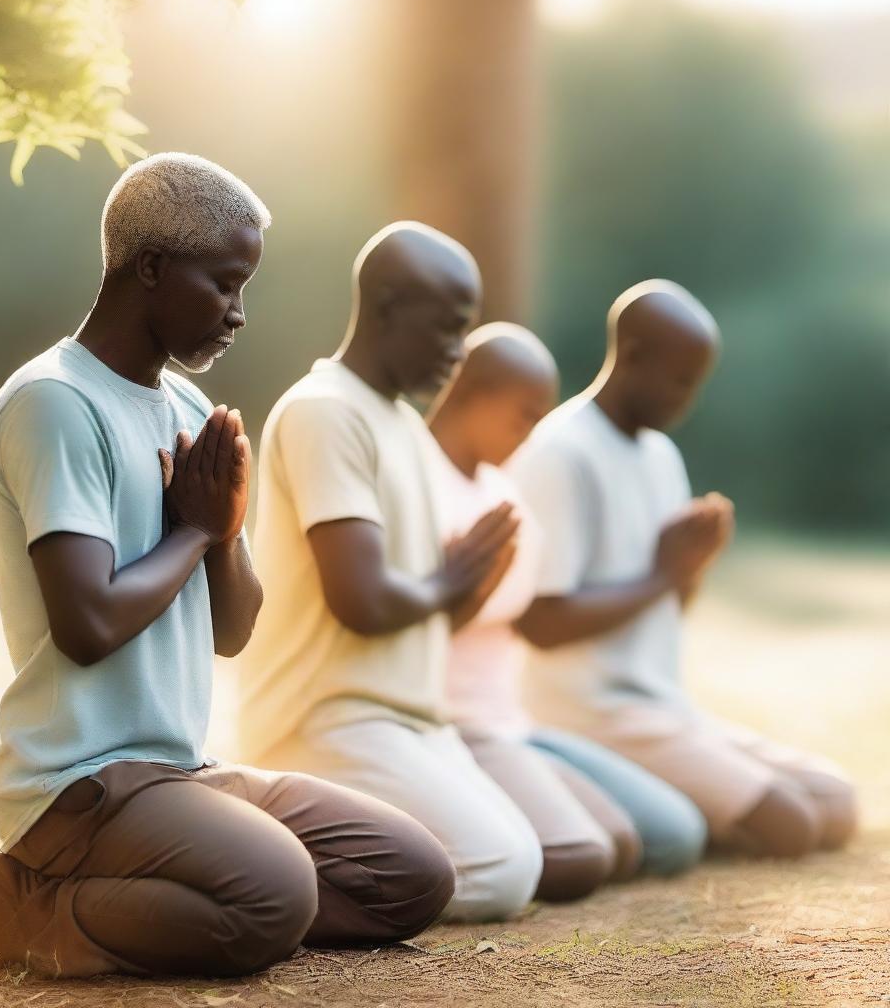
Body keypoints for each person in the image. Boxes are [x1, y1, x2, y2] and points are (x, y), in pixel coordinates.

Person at [0, 154, 454, 979]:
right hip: (79, 786)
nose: (238, 315)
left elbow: (233, 630)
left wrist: (222, 535)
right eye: (225, 284)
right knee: (276, 895)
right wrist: (193, 533)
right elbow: (86, 629)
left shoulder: (189, 409)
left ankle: (149, 895)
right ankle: (29, 900)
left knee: (412, 875)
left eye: (245, 289)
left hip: (181, 773)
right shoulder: (54, 403)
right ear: (150, 267)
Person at [238, 222, 554, 921]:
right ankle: (243, 876)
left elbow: (420, 610)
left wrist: (468, 585)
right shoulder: (326, 411)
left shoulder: (404, 425)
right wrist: (450, 580)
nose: (457, 352)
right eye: (446, 329)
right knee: (498, 871)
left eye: (465, 330)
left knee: (522, 857)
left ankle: (269, 860)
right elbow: (363, 600)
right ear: (385, 306)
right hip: (326, 720)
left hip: (408, 718)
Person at [509, 279, 857, 858]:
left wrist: (690, 568)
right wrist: (665, 574)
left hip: (664, 710)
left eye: (697, 383)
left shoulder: (660, 454)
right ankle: (638, 797)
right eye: (679, 379)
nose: (687, 399)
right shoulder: (561, 454)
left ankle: (687, 790)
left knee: (836, 802)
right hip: (590, 717)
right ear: (634, 354)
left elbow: (666, 611)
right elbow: (539, 622)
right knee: (793, 826)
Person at [427, 322, 707, 880]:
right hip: (451, 724)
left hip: (512, 720)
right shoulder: (419, 480)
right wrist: (467, 587)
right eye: (525, 415)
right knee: (596, 854)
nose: (532, 438)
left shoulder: (503, 490)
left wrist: (683, 567)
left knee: (666, 836)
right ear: (470, 393)